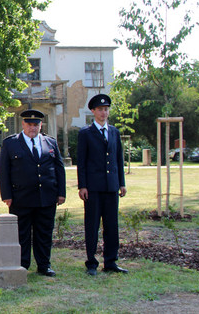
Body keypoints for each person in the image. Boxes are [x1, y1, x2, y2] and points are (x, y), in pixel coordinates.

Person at [0, 109, 66, 277]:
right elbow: (3, 171)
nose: (32, 128)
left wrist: (61, 193)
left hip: (47, 197)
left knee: (44, 232)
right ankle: (22, 264)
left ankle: (44, 265)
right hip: (21, 198)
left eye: (36, 124)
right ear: (23, 124)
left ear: (40, 125)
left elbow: (59, 168)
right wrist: (6, 195)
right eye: (29, 124)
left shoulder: (50, 143)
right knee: (22, 233)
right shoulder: (11, 143)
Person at [77, 94, 128, 276]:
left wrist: (121, 182)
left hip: (111, 187)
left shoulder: (114, 132)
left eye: (106, 109)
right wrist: (82, 186)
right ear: (93, 111)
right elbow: (81, 162)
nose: (103, 112)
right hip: (93, 188)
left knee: (112, 225)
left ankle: (111, 261)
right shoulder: (85, 133)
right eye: (100, 109)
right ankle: (91, 262)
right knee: (92, 226)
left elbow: (118, 159)